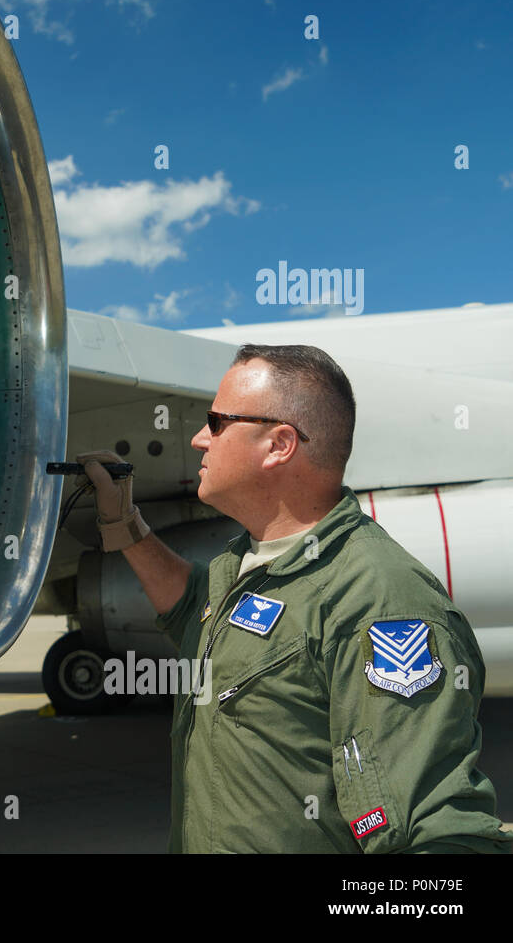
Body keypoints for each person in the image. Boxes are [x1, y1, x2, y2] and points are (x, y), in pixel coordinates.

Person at [77, 343, 511, 853]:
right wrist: (123, 523)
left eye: (216, 424)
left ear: (279, 444)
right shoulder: (245, 563)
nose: (198, 439)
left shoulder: (378, 600)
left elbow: (439, 833)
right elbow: (194, 608)